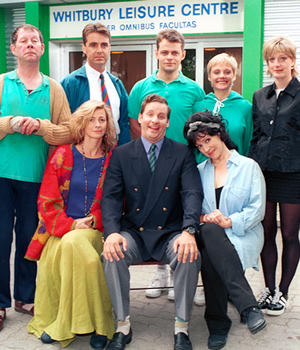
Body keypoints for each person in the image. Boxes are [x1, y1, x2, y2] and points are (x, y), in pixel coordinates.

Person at [101, 94, 203, 350]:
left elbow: (192, 193)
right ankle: (122, 325)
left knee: (188, 254)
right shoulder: (122, 154)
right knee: (112, 253)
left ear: (168, 122)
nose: (155, 121)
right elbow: (111, 197)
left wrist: (189, 231)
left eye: (161, 116)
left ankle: (182, 326)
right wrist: (112, 232)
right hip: (134, 231)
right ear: (140, 118)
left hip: (170, 231)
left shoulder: (182, 153)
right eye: (150, 115)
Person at [25, 100, 116, 349]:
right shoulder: (63, 154)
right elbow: (46, 201)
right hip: (62, 228)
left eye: (102, 119)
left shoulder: (114, 157)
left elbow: (119, 198)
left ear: (108, 125)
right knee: (68, 249)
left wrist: (94, 219)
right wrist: (70, 225)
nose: (97, 124)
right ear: (81, 123)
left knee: (77, 247)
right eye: (91, 119)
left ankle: (80, 324)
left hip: (98, 229)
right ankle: (95, 324)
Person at [0, 24, 71, 331]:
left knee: (31, 239)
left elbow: (68, 131)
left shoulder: (54, 89)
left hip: (37, 179)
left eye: (35, 41)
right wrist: (9, 122)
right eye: (23, 41)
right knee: (0, 239)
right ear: (14, 49)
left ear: (42, 49)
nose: (30, 45)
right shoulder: (2, 84)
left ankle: (25, 296)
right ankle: (0, 302)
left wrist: (43, 127)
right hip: (1, 176)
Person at [128, 29, 205, 301]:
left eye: (175, 52)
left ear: (183, 55)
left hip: (184, 166)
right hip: (150, 166)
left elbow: (199, 131)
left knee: (181, 216)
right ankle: (160, 273)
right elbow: (134, 125)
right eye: (165, 51)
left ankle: (182, 277)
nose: (169, 56)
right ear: (157, 53)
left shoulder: (195, 89)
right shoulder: (141, 87)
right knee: (154, 218)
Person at [184, 111, 267, 350]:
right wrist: (206, 217)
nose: (205, 148)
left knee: (211, 250)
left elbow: (257, 210)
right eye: (199, 145)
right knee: (210, 232)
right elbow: (192, 210)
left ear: (219, 133)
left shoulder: (248, 167)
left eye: (207, 140)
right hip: (211, 235)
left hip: (243, 233)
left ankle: (218, 323)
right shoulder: (199, 172)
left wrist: (229, 221)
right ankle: (248, 307)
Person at [248, 35, 300, 316]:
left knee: (290, 234)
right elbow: (256, 136)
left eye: (283, 58)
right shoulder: (260, 96)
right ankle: (268, 289)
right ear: (267, 63)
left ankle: (284, 292)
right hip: (264, 175)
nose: (277, 63)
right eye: (272, 59)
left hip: (294, 174)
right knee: (266, 233)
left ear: (293, 61)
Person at [61, 22, 130, 145]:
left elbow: (124, 124)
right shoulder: (70, 84)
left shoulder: (117, 84)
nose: (99, 50)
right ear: (84, 48)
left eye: (104, 45)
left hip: (115, 152)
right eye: (93, 45)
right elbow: (64, 124)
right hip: (84, 155)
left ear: (109, 48)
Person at [193, 53, 252, 163]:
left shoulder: (245, 108)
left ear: (234, 75)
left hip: (235, 171)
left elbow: (248, 144)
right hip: (203, 171)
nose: (222, 76)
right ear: (209, 77)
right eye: (216, 72)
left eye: (227, 72)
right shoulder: (198, 106)